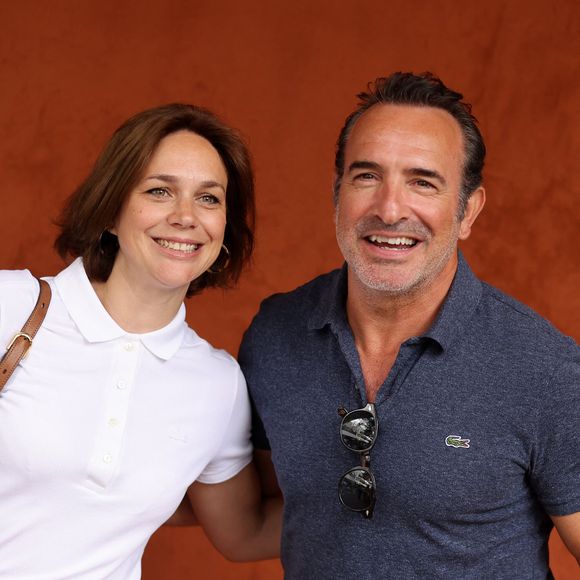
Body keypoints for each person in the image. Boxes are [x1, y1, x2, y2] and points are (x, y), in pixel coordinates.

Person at [239, 72, 580, 578]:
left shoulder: (544, 369)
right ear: (337, 195)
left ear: (468, 211)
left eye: (423, 181)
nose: (390, 208)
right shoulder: (274, 335)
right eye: (366, 176)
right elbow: (262, 520)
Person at [0, 103, 281, 578]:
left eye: (209, 199)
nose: (186, 216)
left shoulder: (216, 384)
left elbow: (244, 533)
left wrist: (403, 504)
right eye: (159, 191)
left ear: (224, 230)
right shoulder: (11, 305)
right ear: (111, 210)